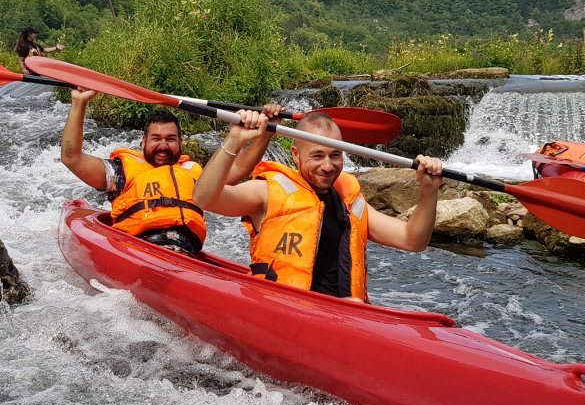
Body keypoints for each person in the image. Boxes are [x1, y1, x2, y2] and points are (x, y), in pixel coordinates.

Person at [193, 111, 444, 302]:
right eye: (317, 156)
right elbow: (205, 198)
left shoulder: (350, 202)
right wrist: (235, 139)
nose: (328, 165)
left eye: (335, 155)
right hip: (281, 309)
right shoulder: (268, 192)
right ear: (295, 155)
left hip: (343, 312)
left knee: (355, 303)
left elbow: (414, 241)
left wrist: (429, 191)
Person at [60, 88, 279, 255]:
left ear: (180, 142)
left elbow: (240, 167)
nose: (163, 146)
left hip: (185, 253)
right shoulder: (120, 172)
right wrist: (79, 103)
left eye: (170, 139)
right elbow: (72, 158)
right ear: (143, 141)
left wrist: (267, 131)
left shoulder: (194, 172)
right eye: (156, 139)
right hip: (137, 250)